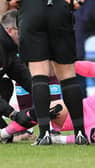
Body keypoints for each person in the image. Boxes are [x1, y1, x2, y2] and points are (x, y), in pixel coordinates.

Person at [18, 0, 88, 145]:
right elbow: (77, 2)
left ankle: (44, 134)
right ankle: (80, 133)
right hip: (59, 10)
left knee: (39, 75)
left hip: (32, 10)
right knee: (68, 76)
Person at [0, 9, 33, 142]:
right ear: (10, 30)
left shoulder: (10, 48)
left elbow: (23, 76)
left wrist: (44, 95)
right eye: (23, 31)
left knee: (6, 86)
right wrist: (13, 114)